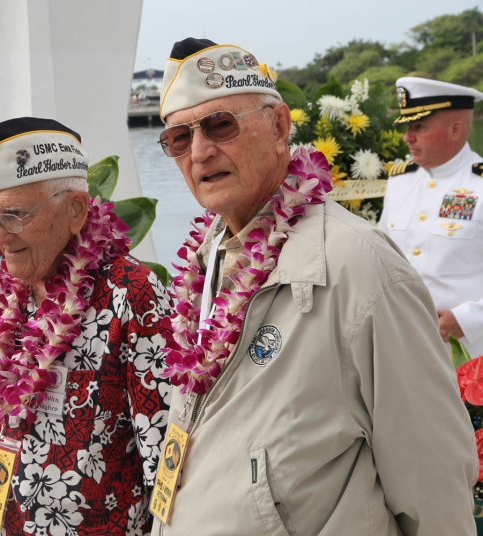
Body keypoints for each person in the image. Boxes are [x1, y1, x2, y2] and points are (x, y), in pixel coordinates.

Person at [151, 38, 477, 535]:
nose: (199, 152)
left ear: (280, 127)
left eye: (221, 126)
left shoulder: (357, 263)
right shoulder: (207, 257)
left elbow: (432, 479)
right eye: (178, 138)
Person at [0, 117, 172, 535]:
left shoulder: (130, 293)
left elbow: (166, 453)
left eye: (14, 215)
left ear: (77, 209)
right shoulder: (10, 286)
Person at [379, 77, 483, 357]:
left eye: (419, 126)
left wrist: (468, 320)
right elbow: (380, 256)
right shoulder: (401, 181)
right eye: (407, 127)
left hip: (465, 353)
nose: (407, 137)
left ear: (456, 129)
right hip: (400, 342)